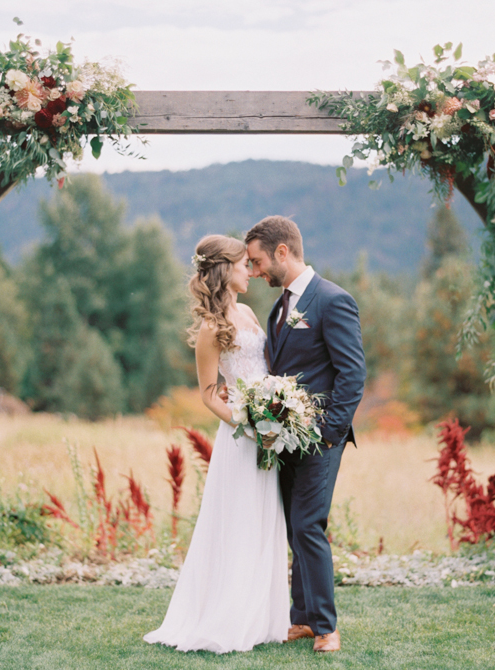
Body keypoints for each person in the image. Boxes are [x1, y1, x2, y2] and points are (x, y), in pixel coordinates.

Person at [143, 234, 290, 654]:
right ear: (226, 269)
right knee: (238, 523)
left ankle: (260, 618)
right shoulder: (211, 328)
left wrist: (276, 413)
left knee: (264, 520)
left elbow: (264, 366)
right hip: (242, 437)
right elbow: (209, 392)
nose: (251, 270)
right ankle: (226, 617)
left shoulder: (246, 311)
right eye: (245, 264)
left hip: (270, 431)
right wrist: (247, 423)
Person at [244, 215, 366, 653]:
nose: (255, 272)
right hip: (285, 439)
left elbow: (352, 374)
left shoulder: (333, 300)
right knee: (294, 527)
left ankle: (327, 626)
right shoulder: (279, 308)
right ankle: (302, 619)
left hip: (321, 438)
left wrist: (329, 433)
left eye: (258, 262)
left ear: (282, 251)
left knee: (309, 526)